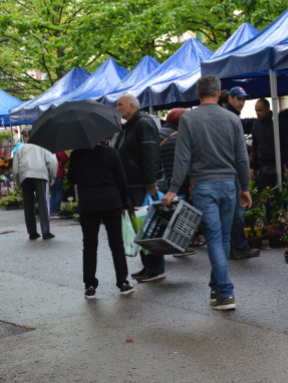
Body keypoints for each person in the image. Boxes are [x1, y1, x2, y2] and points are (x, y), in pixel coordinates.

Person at [162, 75, 252, 311]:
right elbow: (242, 157)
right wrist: (245, 187)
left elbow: (182, 158)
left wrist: (173, 190)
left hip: (202, 185)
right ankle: (216, 288)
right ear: (220, 91)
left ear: (197, 93)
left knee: (214, 238)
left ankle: (226, 292)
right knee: (222, 239)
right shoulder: (232, 119)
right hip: (229, 185)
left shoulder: (189, 119)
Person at [67, 142, 134, 299]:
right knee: (117, 244)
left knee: (90, 245)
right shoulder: (110, 152)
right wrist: (124, 203)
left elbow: (71, 179)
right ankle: (123, 282)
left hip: (88, 204)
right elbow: (121, 179)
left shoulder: (76, 154)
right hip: (111, 202)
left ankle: (90, 285)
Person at [116, 93, 167, 283]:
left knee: (148, 226)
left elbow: (150, 154)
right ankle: (148, 266)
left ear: (131, 105)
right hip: (135, 184)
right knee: (141, 227)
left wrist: (150, 184)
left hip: (143, 186)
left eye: (120, 105)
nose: (118, 108)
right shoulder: (129, 125)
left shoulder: (142, 124)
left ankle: (155, 268)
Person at [223, 87, 260, 260]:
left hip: (222, 171)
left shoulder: (228, 116)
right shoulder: (231, 118)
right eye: (239, 99)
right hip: (231, 172)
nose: (242, 103)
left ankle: (231, 247)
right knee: (237, 210)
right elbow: (240, 154)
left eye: (244, 100)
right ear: (229, 98)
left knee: (228, 211)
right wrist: (244, 183)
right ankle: (239, 247)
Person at [159, 108, 195, 257]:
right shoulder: (180, 136)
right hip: (178, 182)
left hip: (161, 181)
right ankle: (180, 245)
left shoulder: (159, 133)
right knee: (181, 212)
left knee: (165, 214)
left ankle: (163, 244)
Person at [12, 127, 58, 240]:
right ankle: (46, 231)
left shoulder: (21, 149)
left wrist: (19, 182)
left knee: (28, 205)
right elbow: (52, 162)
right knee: (43, 203)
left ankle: (32, 232)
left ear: (27, 137)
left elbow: (15, 168)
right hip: (40, 175)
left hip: (25, 177)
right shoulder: (43, 146)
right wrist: (52, 177)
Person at [251, 98, 288, 222]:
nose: (257, 113)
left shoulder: (280, 123)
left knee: (284, 198)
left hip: (281, 166)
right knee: (266, 199)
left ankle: (285, 223)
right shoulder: (256, 124)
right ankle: (270, 224)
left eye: (260, 110)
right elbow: (255, 146)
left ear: (268, 109)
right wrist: (254, 168)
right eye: (256, 110)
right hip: (264, 167)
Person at [50, 151, 69, 216]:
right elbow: (65, 159)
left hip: (51, 173)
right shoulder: (59, 149)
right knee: (58, 192)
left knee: (53, 193)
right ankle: (56, 211)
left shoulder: (47, 149)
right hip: (59, 172)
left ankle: (52, 210)